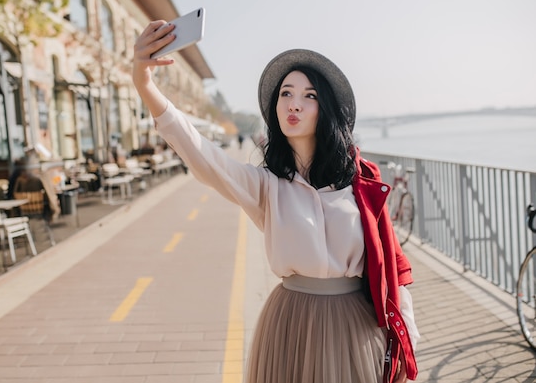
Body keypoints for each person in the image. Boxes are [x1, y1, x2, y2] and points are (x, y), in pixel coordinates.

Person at [132, 21, 419, 383]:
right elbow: (202, 155)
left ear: (325, 108)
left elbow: (393, 262)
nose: (294, 104)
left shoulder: (360, 182)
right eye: (286, 93)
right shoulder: (267, 187)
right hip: (291, 325)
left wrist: (406, 329)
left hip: (354, 327)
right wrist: (144, 83)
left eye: (309, 95)